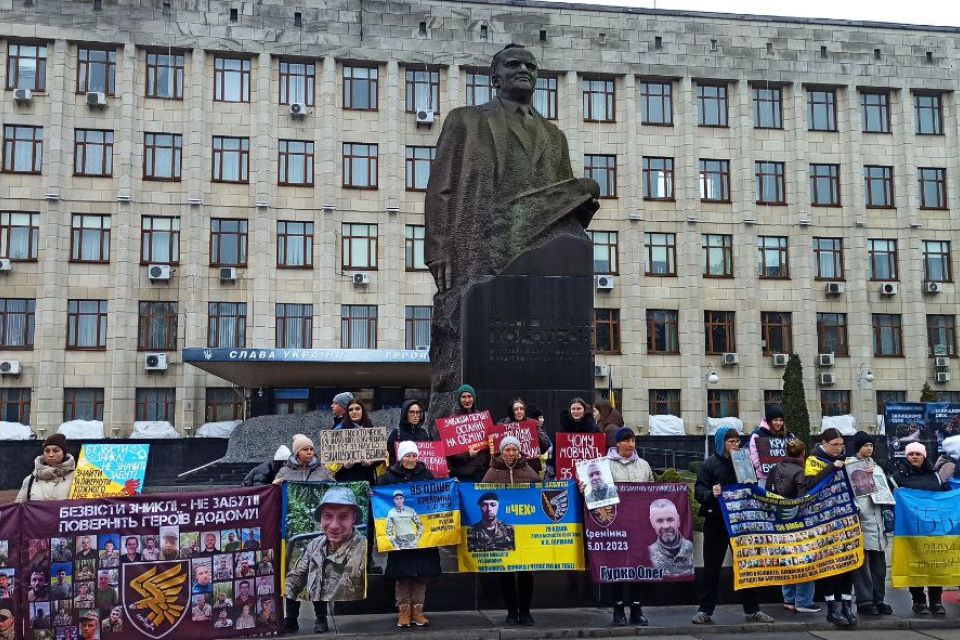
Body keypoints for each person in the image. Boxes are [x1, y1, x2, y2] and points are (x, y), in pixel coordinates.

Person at [424, 43, 600, 420]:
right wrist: (437, 246)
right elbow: (441, 187)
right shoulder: (466, 120)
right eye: (514, 64)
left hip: (535, 249)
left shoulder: (554, 137)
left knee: (585, 188)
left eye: (531, 66)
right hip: (479, 246)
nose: (524, 70)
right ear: (495, 76)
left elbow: (565, 208)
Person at [692, 427, 774, 625]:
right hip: (717, 521)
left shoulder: (744, 461)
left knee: (746, 564)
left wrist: (751, 484)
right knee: (712, 567)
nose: (735, 445)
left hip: (741, 522)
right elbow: (698, 491)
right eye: (731, 442)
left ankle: (752, 608)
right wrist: (712, 492)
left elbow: (753, 487)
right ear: (721, 443)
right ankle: (705, 610)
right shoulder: (709, 465)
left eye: (737, 441)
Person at [285, 486, 367, 633]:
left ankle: (321, 618)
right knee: (310, 577)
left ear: (353, 518)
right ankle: (294, 619)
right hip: (315, 594)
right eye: (328, 516)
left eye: (343, 516)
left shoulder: (362, 547)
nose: (334, 526)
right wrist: (287, 593)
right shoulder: (316, 544)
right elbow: (296, 578)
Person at [380, 441, 442, 628]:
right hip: (399, 538)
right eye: (408, 455)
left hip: (421, 537)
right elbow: (380, 499)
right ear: (400, 457)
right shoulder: (388, 477)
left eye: (414, 455)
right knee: (402, 575)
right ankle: (404, 611)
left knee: (420, 574)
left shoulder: (427, 474)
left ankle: (418, 610)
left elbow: (438, 496)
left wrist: (450, 486)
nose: (411, 459)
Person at [479, 445, 540, 627]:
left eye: (514, 450)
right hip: (501, 532)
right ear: (502, 452)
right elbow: (481, 493)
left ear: (519, 452)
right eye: (507, 450)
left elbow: (540, 490)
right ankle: (512, 612)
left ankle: (526, 612)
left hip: (525, 531)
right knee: (506, 574)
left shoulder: (527, 469)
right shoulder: (493, 471)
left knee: (526, 574)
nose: (511, 453)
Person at [804, 428, 856, 627]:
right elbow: (810, 484)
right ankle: (832, 608)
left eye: (841, 445)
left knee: (848, 565)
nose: (838, 448)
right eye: (834, 445)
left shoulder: (846, 460)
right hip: (824, 522)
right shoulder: (813, 461)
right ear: (823, 443)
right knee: (829, 566)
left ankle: (846, 606)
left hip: (846, 521)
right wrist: (831, 468)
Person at [892, 442, 948, 615]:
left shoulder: (936, 476)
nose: (914, 456)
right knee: (914, 565)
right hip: (910, 530)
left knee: (935, 566)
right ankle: (918, 601)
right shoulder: (897, 477)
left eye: (918, 453)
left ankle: (936, 601)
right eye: (911, 454)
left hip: (934, 530)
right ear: (906, 456)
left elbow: (945, 499)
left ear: (924, 455)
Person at [765, 439, 820, 614]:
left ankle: (788, 599)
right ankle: (803, 601)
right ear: (803, 454)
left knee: (787, 559)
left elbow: (768, 494)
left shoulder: (774, 469)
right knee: (804, 560)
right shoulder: (800, 472)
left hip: (779, 522)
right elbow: (802, 500)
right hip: (798, 522)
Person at [845, 431, 892, 616]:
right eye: (866, 445)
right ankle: (864, 601)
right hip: (861, 519)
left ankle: (879, 599)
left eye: (871, 445)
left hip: (877, 520)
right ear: (858, 447)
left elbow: (884, 490)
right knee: (862, 565)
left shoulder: (877, 467)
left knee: (879, 566)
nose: (869, 448)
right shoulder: (850, 466)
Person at [445, 384, 491, 482]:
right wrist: (467, 455)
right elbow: (449, 452)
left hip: (481, 474)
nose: (467, 400)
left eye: (469, 396)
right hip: (462, 475)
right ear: (459, 399)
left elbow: (489, 445)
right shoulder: (451, 422)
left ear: (474, 398)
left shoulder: (482, 418)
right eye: (463, 397)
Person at [16, 433, 76, 502]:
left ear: (64, 453)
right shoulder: (30, 480)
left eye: (56, 451)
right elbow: (19, 508)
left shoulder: (76, 478)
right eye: (47, 451)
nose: (51, 455)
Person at [499, 398, 552, 474]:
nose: (519, 411)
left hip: (531, 468)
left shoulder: (533, 423)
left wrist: (536, 432)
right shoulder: (502, 425)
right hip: (510, 469)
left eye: (522, 409)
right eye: (516, 409)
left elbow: (546, 444)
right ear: (511, 411)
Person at [747, 405, 795, 485]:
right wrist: (764, 469)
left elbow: (794, 455)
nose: (779, 423)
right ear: (769, 421)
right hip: (765, 478)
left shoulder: (789, 436)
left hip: (786, 478)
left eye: (781, 420)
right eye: (775, 420)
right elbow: (754, 458)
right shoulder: (758, 435)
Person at [648, 499, 695, 579]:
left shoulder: (688, 546)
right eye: (659, 521)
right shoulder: (648, 552)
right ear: (652, 522)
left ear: (678, 520)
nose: (666, 526)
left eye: (670, 520)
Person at [387, 399, 431, 465]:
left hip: (421, 473)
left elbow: (434, 456)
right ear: (405, 414)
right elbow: (390, 457)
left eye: (418, 412)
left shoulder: (426, 434)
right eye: (411, 412)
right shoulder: (396, 433)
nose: (415, 415)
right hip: (401, 473)